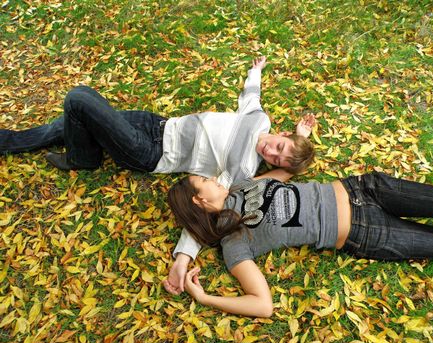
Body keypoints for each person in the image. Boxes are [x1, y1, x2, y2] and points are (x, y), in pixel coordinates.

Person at [0, 57, 316, 292]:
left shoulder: (242, 168)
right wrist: (256, 72)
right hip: (156, 124)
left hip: (149, 152)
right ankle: (14, 142)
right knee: (69, 124)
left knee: (79, 100)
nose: (271, 153)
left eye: (277, 159)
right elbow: (251, 96)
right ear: (284, 133)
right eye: (279, 147)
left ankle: (84, 158)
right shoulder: (259, 119)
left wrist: (183, 258)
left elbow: (208, 209)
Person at [166, 171, 433, 317]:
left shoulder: (241, 185)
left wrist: (299, 140)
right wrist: (205, 298)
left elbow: (284, 173)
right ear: (199, 199)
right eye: (205, 179)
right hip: (365, 232)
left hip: (365, 188)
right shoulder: (233, 244)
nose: (214, 178)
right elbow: (263, 304)